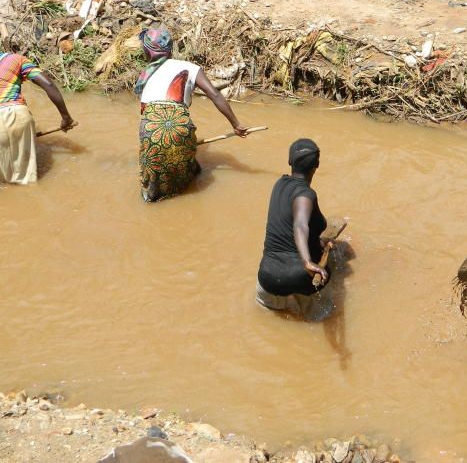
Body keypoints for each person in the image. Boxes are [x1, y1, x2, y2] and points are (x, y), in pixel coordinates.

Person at [136, 26, 248, 202]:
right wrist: (236, 124)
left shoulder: (146, 76)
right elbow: (215, 94)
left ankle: (152, 198)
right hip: (181, 129)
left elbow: (146, 115)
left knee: (151, 180)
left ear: (148, 51)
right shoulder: (189, 67)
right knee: (192, 170)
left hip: (151, 131)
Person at [0, 22, 75, 184]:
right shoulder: (16, 59)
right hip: (19, 116)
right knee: (26, 181)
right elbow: (48, 85)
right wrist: (66, 117)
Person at [256, 139, 340, 321]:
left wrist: (320, 243)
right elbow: (300, 225)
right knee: (321, 318)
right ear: (317, 165)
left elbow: (291, 228)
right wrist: (308, 262)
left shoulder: (278, 185)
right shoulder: (306, 195)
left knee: (271, 323)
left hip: (268, 276)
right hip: (301, 276)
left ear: (289, 162)